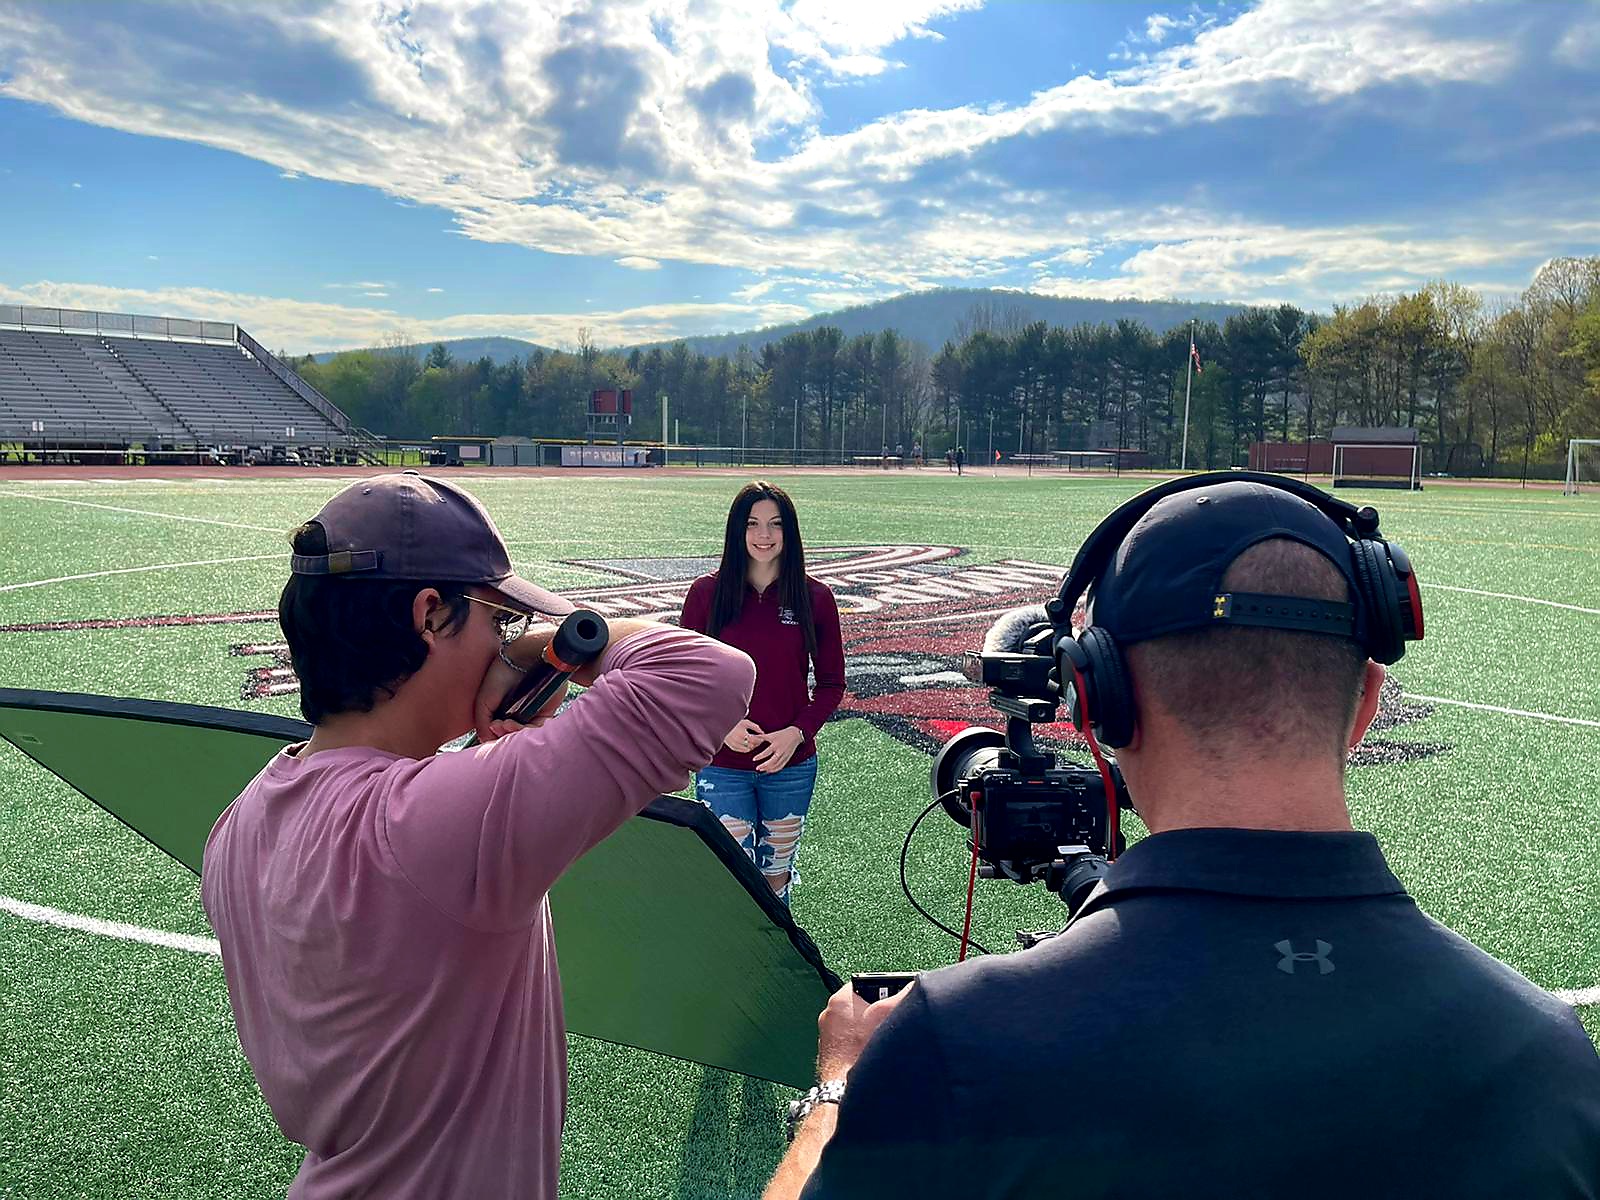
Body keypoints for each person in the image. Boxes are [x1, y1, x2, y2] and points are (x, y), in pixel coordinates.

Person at [767, 476, 1600, 1200]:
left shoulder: (955, 1044)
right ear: (1367, 704)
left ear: (1096, 705)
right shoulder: (1551, 1062)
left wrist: (841, 1089)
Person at [201, 471, 754, 1200]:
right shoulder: (435, 822)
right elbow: (705, 673)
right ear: (429, 615)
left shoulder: (239, 826)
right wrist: (543, 650)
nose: (503, 643)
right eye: (496, 622)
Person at [680, 480, 845, 905]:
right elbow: (685, 680)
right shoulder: (706, 595)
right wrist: (722, 726)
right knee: (731, 877)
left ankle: (779, 962)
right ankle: (730, 964)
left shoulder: (815, 598)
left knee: (775, 878)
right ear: (737, 531)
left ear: (789, 532)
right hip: (722, 764)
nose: (764, 535)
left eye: (775, 524)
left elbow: (831, 684)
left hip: (789, 766)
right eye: (752, 524)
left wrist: (796, 734)